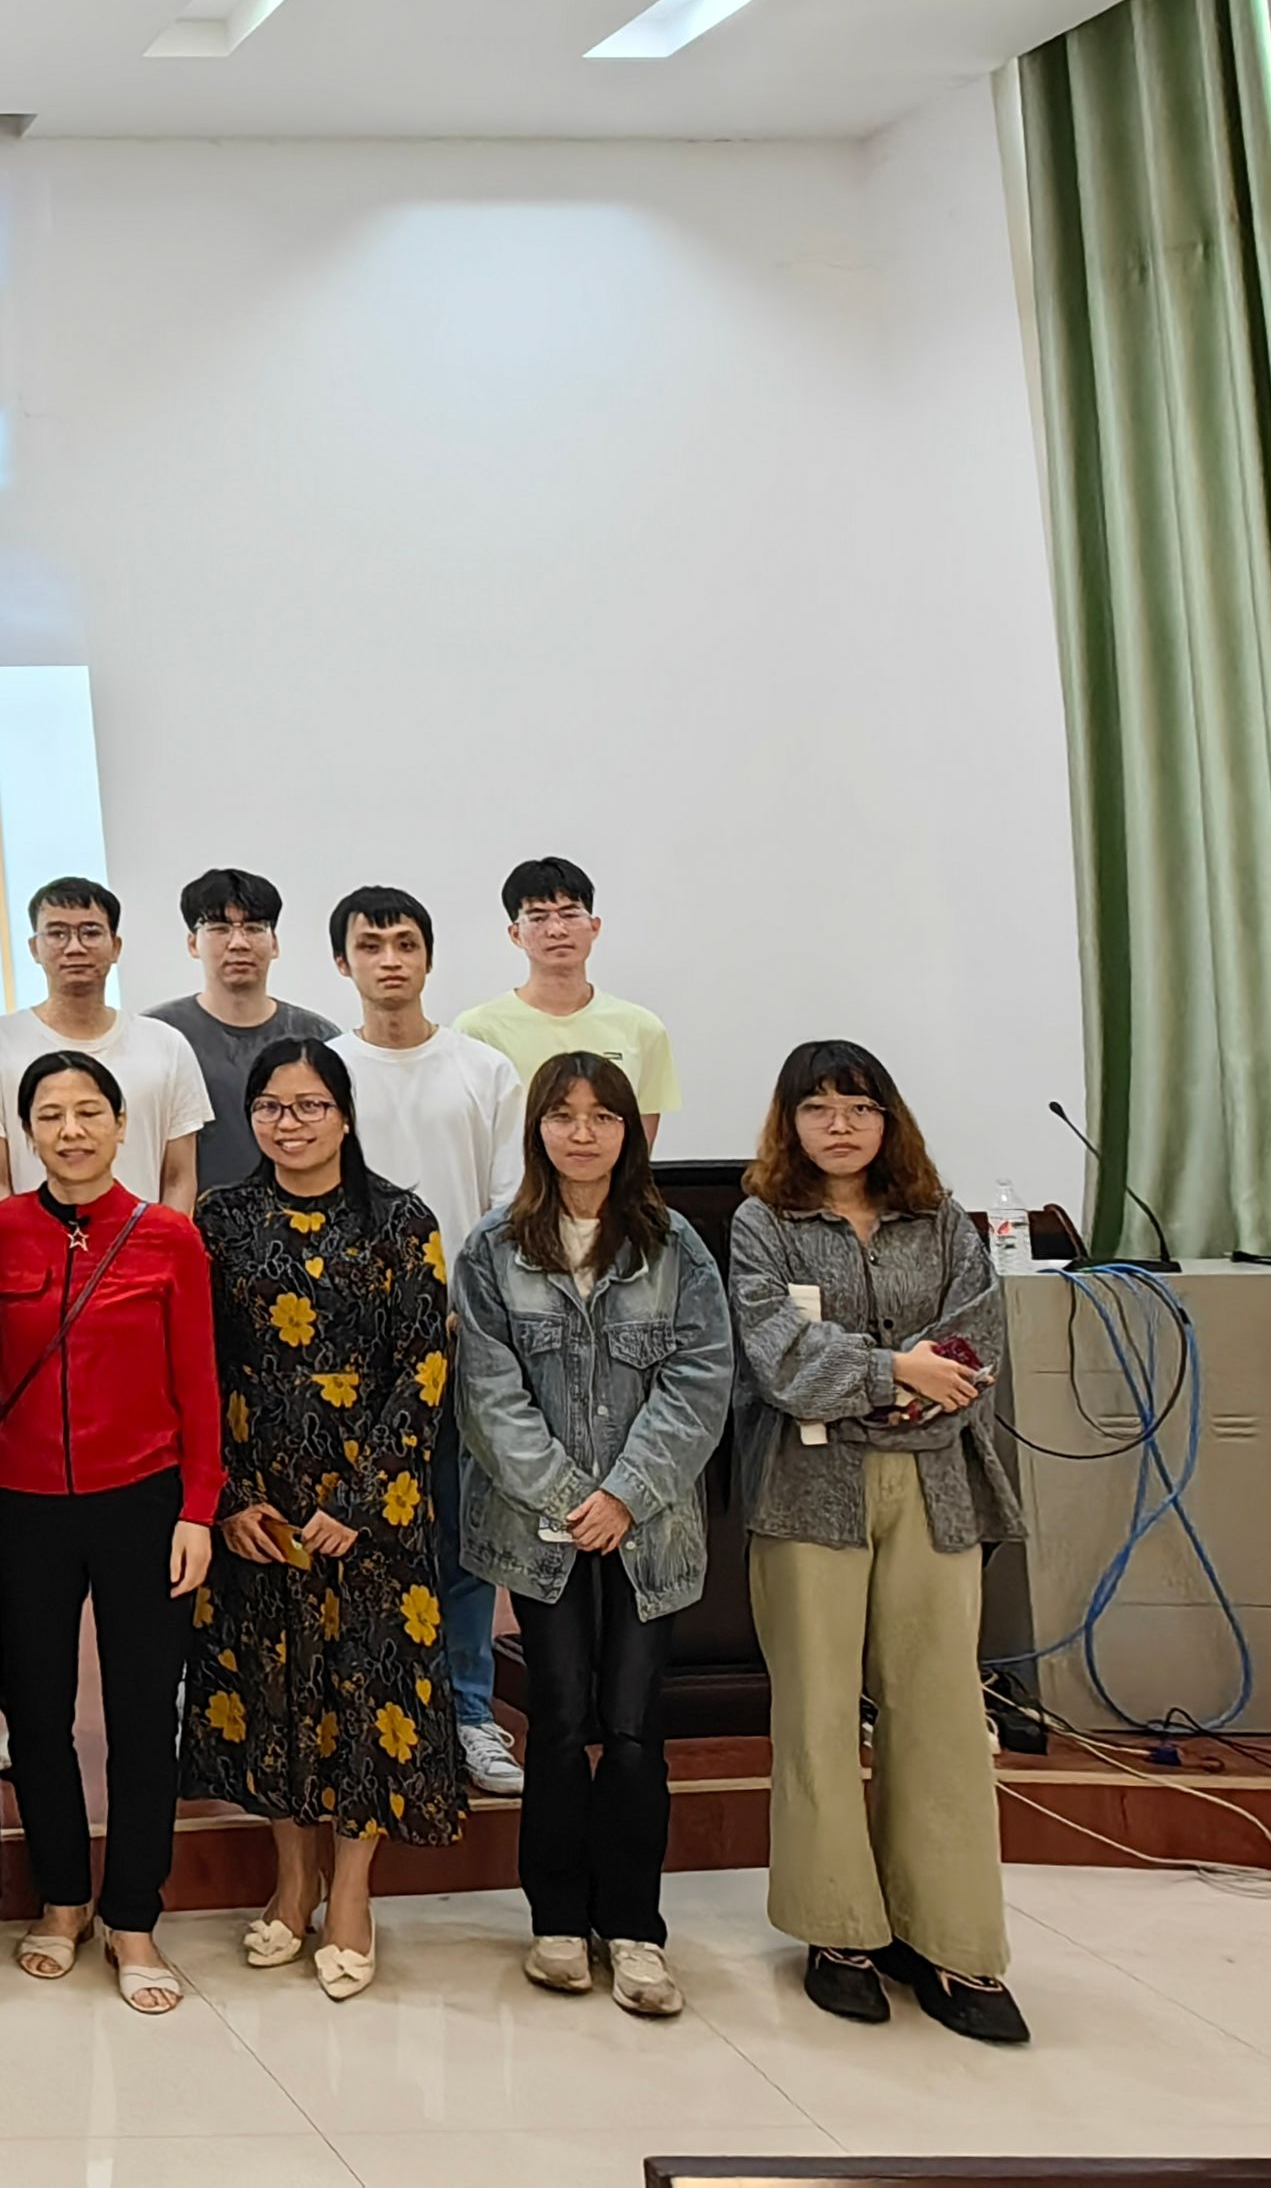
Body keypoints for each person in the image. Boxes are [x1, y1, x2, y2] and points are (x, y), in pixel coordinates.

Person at [728, 1039, 1027, 2044]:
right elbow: (778, 1358)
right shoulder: (762, 1224)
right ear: (789, 1124)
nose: (840, 1125)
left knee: (939, 1713)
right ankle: (838, 1934)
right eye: (817, 1108)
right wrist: (896, 1374)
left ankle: (951, 1941)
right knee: (815, 1711)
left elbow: (974, 1347)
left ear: (888, 1119)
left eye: (858, 1107)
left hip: (935, 1487)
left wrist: (892, 1387)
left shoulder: (940, 1222)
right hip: (806, 1493)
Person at [184, 1037, 463, 2000]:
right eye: (271, 1106)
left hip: (373, 1509)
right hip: (258, 1499)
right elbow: (197, 1366)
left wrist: (360, 1506)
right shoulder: (220, 1220)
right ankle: (291, 1877)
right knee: (277, 1692)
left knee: (365, 1692)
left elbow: (425, 1369)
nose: (288, 1123)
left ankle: (350, 1891)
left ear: (344, 1115)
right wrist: (230, 1498)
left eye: (309, 1105)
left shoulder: (401, 1221)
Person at [457, 1053, 731, 2020]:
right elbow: (488, 1393)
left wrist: (624, 1494)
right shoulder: (493, 1248)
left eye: (602, 1116)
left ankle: (637, 1929)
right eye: (563, 1115)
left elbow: (701, 1378)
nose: (583, 1133)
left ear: (629, 1131)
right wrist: (574, 1497)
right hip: (544, 1532)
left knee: (636, 1725)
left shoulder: (674, 1244)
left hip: (648, 1529)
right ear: (536, 1128)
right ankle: (558, 1921)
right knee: (562, 1719)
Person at [0, 1046, 219, 2014]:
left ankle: (132, 1914)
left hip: (142, 1499)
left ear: (123, 1127)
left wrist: (197, 1508)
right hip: (19, 1500)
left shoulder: (168, 1238)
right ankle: (62, 1897)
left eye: (89, 1112)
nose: (70, 1131)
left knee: (141, 1715)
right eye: (50, 1115)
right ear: (26, 1133)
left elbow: (199, 1384)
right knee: (35, 1712)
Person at [331, 884, 534, 1798]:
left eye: (405, 943)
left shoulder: (482, 1070)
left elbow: (507, 1208)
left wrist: (455, 1307)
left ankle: (468, 1713)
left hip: (458, 1341)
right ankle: (361, 1708)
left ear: (428, 957)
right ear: (342, 962)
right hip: (348, 1357)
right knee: (360, 1534)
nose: (390, 960)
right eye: (370, 945)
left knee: (461, 1536)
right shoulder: (326, 1072)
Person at [0, 878, 212, 1212]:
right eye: (57, 933)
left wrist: (162, 1240)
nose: (74, 947)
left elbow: (179, 1178)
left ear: (115, 946)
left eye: (90, 932)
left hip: (143, 1242)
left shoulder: (166, 1045)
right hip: (31, 1244)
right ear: (34, 948)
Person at [454, 858, 679, 1144]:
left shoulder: (642, 1028)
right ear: (515, 934)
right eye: (538, 918)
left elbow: (639, 1147)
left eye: (570, 914)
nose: (557, 930)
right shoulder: (477, 1031)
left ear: (594, 927)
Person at [144, 869, 325, 1197]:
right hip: (190, 1220)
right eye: (219, 928)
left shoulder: (317, 1037)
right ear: (192, 943)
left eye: (254, 928)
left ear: (275, 943)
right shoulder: (156, 1037)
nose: (238, 943)